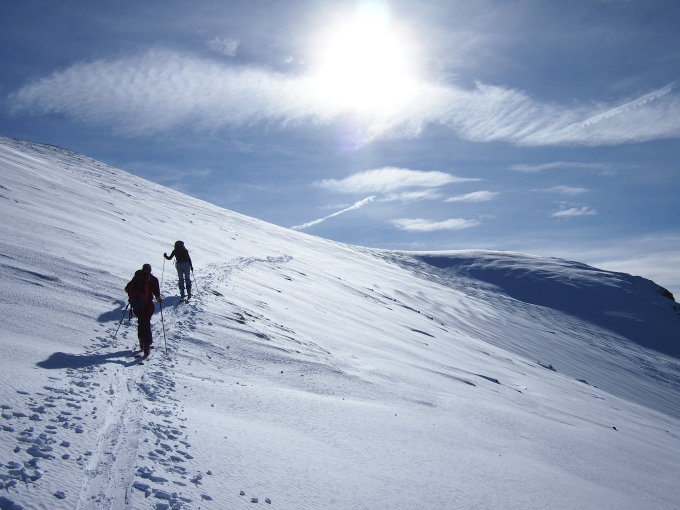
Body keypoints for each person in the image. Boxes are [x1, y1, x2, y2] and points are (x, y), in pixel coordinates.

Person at [125, 263, 162, 357]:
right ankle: (146, 346)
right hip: (147, 306)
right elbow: (157, 295)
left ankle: (141, 342)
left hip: (136, 306)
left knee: (141, 322)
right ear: (150, 270)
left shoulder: (136, 277)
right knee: (146, 323)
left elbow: (127, 289)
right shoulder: (153, 279)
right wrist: (159, 300)